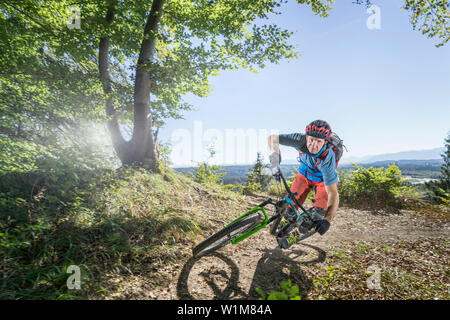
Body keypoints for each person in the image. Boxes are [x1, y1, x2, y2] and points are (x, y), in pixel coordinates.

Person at [267, 120, 340, 249]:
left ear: (325, 142)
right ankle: (289, 218)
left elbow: (333, 193)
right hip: (304, 173)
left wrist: (327, 220)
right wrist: (275, 157)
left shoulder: (327, 158)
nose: (313, 145)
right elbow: (272, 139)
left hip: (323, 180)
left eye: (319, 141)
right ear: (306, 137)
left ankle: (296, 234)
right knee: (288, 204)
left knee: (316, 215)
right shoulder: (298, 139)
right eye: (311, 140)